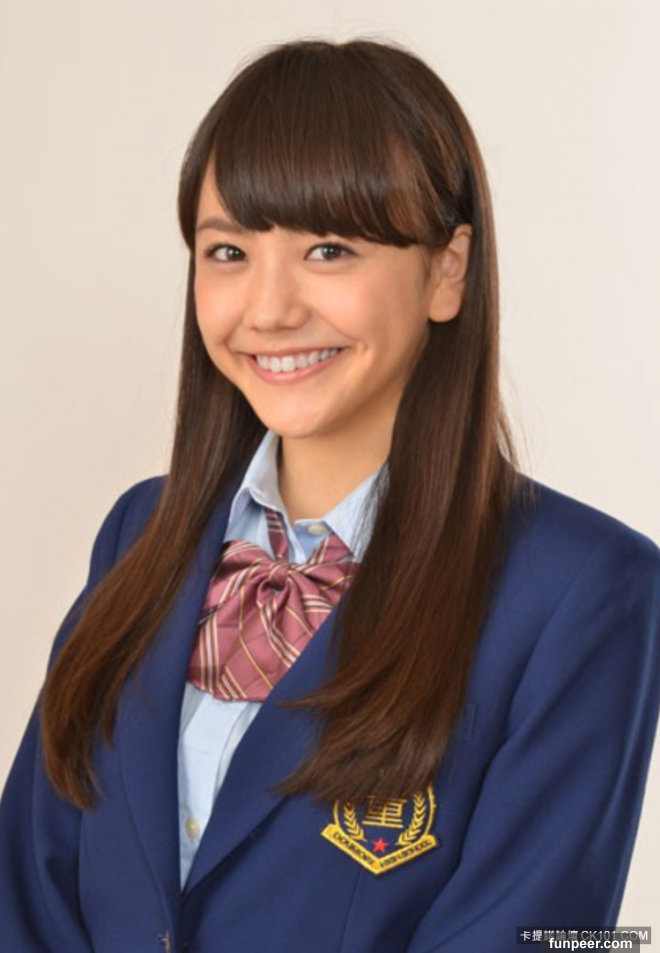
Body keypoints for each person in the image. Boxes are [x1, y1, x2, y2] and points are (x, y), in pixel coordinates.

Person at [1, 36, 659, 953]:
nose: (268, 309)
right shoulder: (139, 532)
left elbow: (529, 932)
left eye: (328, 248)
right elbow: (25, 890)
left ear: (447, 270)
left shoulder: (583, 589)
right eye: (228, 250)